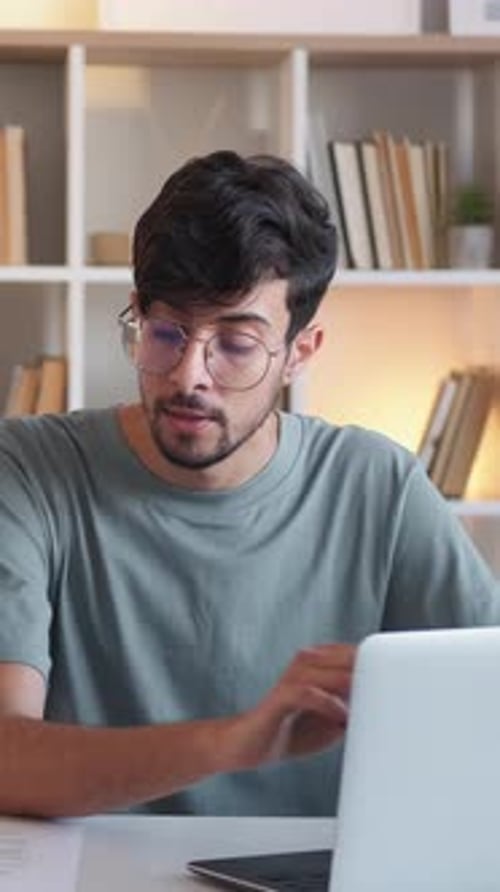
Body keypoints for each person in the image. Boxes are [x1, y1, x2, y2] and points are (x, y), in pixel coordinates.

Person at [0, 150, 498, 820]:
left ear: (300, 351)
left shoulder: (378, 486)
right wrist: (235, 741)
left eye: (235, 344)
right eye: (166, 332)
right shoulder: (30, 468)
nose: (188, 376)